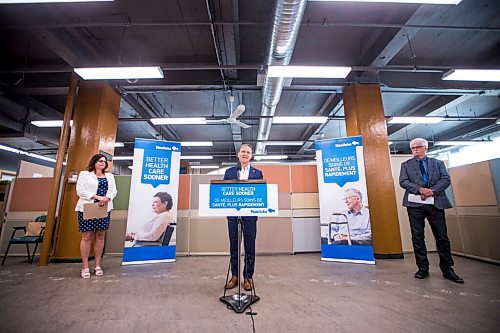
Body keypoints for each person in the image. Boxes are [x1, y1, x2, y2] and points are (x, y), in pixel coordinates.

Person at [399, 138, 463, 284]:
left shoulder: (438, 163)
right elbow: (403, 181)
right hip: (415, 205)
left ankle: (447, 269)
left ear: (425, 148)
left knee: (442, 237)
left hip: (436, 204)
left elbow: (445, 179)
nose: (415, 150)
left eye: (418, 147)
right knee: (417, 237)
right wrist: (420, 189)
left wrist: (431, 191)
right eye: (413, 148)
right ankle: (422, 268)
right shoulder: (406, 165)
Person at [223, 144, 263, 292]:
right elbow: (223, 192)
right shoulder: (229, 172)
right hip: (233, 216)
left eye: (248, 152)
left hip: (250, 216)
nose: (245, 154)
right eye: (243, 152)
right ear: (238, 155)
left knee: (249, 247)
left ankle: (248, 277)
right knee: (234, 246)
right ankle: (234, 276)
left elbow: (260, 194)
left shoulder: (258, 173)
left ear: (251, 156)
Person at [75, 153, 117, 279]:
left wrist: (107, 198)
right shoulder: (85, 174)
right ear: (94, 162)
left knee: (100, 236)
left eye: (104, 161)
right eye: (100, 161)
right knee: (87, 236)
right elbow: (80, 191)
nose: (102, 163)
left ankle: (97, 265)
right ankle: (85, 266)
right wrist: (97, 197)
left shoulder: (109, 176)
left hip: (104, 208)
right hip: (88, 208)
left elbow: (114, 190)